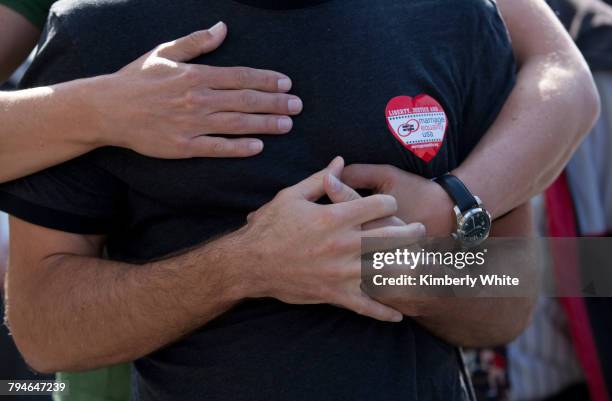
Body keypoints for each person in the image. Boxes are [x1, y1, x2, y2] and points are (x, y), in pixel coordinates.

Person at [0, 0, 599, 400]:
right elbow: (43, 331)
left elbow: (511, 301)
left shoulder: (458, 16)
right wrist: (244, 266)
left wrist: (411, 267)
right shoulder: (98, 30)